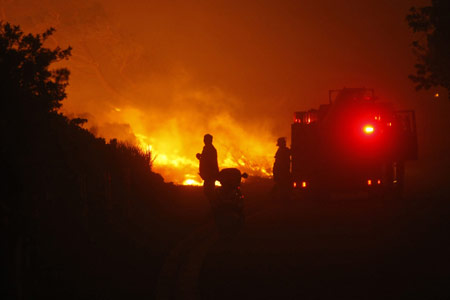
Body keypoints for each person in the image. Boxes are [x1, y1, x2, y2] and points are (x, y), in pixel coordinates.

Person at [196, 134, 219, 200]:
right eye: (204, 139)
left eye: (206, 139)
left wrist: (200, 157)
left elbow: (209, 161)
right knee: (208, 191)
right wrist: (200, 157)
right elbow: (205, 159)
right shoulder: (206, 148)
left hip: (210, 174)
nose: (204, 141)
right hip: (208, 174)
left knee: (209, 191)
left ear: (210, 140)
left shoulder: (211, 149)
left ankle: (214, 205)